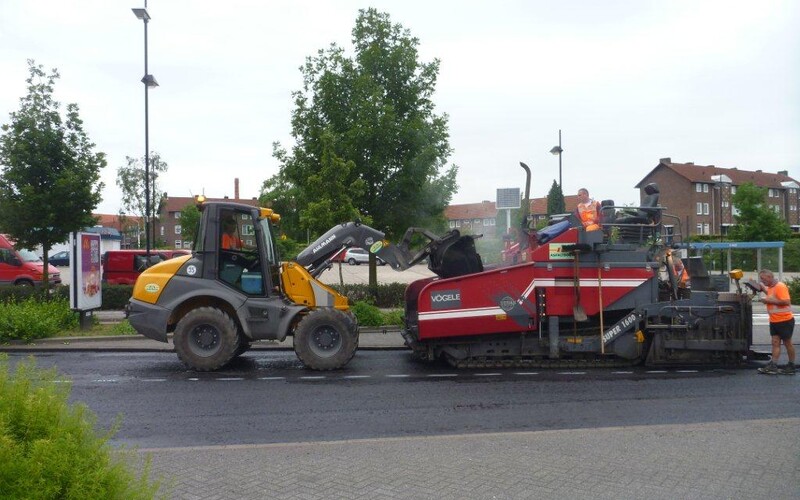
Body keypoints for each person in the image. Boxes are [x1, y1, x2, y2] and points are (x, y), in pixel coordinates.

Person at [755, 269, 796, 375]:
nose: (762, 281)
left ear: (769, 277)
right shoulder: (771, 288)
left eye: (763, 279)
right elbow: (770, 294)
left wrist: (767, 301)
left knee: (787, 343)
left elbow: (786, 301)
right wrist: (762, 288)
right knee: (775, 343)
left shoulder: (780, 286)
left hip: (784, 320)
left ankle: (791, 365)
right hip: (774, 320)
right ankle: (773, 365)